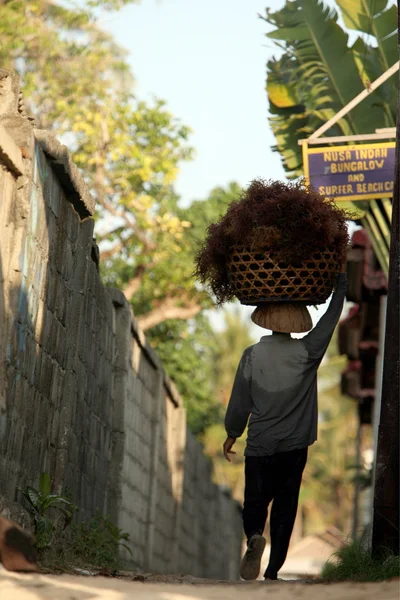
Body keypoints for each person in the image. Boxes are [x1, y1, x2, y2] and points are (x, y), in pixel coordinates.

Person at [223, 262, 347, 581]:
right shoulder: (308, 352)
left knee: (254, 502)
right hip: (294, 447)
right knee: (285, 508)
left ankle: (253, 536)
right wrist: (341, 283)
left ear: (265, 319)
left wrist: (232, 433)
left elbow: (240, 401)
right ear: (298, 321)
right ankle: (273, 570)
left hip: (259, 444)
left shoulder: (251, 355)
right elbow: (330, 321)